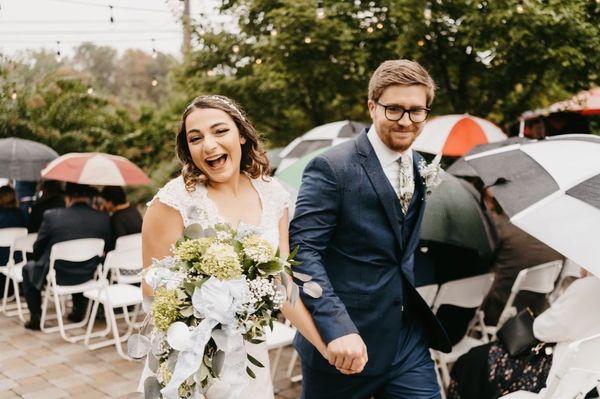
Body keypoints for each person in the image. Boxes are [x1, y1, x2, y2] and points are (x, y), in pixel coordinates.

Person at [141, 95, 332, 398]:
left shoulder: (273, 195)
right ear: (188, 149)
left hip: (248, 354)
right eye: (196, 138)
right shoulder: (172, 202)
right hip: (189, 355)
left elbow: (283, 284)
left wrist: (325, 345)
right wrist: (209, 295)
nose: (209, 145)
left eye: (220, 131)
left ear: (241, 135)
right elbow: (151, 286)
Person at [289, 59, 451, 399]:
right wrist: (337, 328)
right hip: (343, 346)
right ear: (372, 106)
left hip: (405, 341)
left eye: (416, 111)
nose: (406, 121)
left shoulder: (420, 164)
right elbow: (302, 254)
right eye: (394, 110)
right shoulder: (331, 167)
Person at [448, 269, 600, 398]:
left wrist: (584, 281)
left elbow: (542, 330)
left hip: (553, 375)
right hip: (583, 383)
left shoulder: (590, 287)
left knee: (475, 358)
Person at [21, 182, 112, 330]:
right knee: (79, 261)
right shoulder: (102, 218)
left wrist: (40, 259)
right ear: (88, 197)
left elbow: (37, 248)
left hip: (58, 276)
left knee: (27, 268)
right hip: (89, 274)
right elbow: (107, 246)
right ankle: (78, 311)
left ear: (68, 197)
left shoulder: (52, 216)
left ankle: (36, 317)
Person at [481, 189, 563, 326]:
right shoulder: (556, 240)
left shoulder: (503, 229)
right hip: (532, 316)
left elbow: (482, 265)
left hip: (496, 312)